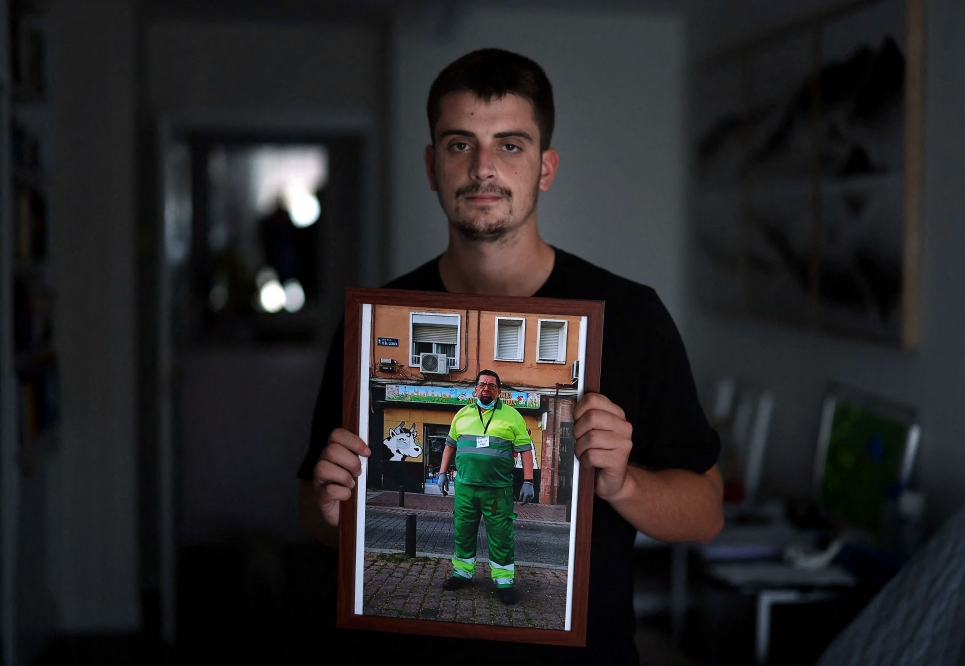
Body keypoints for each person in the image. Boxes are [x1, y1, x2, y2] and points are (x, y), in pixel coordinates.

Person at [297, 48, 724, 665]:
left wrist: (625, 484)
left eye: (511, 145)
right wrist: (332, 508)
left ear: (545, 168)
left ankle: (502, 583)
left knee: (497, 536)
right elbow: (312, 509)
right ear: (431, 164)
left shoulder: (632, 318)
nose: (483, 169)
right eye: (459, 144)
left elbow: (706, 514)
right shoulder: (374, 321)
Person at [437, 369, 535, 605]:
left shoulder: (513, 416)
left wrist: (529, 481)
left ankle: (503, 581)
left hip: (497, 490)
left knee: (501, 536)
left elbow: (525, 449)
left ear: (498, 391)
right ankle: (462, 573)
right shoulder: (462, 415)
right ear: (475, 389)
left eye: (492, 385)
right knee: (463, 531)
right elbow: (450, 445)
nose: (486, 389)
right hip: (466, 487)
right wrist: (442, 473)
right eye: (482, 384)